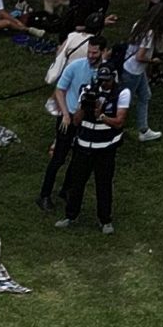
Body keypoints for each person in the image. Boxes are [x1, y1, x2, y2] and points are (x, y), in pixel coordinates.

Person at [57, 51, 128, 233]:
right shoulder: (87, 90)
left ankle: (105, 220)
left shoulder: (121, 93)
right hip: (84, 145)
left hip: (106, 147)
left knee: (103, 184)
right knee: (77, 182)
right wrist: (83, 106)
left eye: (106, 80)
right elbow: (76, 121)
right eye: (101, 80)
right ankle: (70, 215)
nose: (103, 84)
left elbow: (119, 122)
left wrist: (101, 116)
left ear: (113, 78)